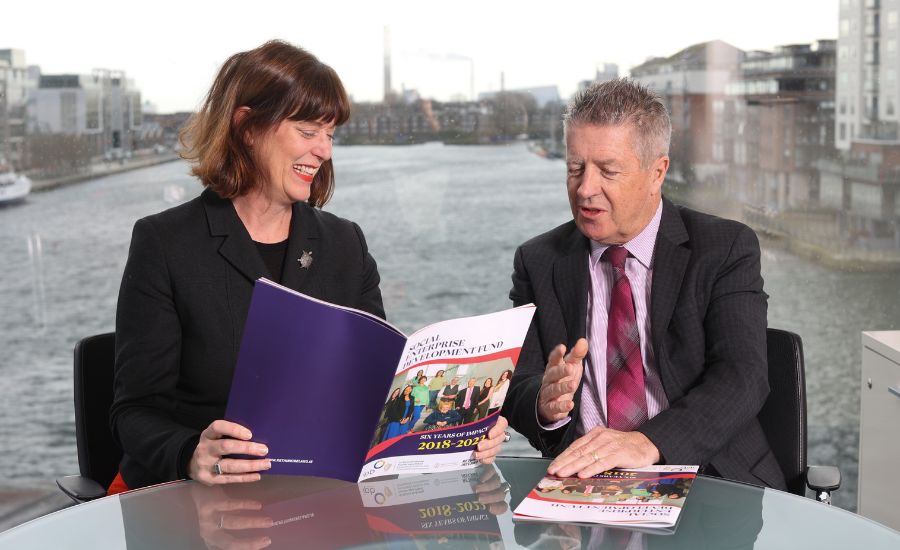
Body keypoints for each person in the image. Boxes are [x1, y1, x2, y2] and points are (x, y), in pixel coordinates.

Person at [109, 40, 509, 492]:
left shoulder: (345, 243)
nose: (325, 151)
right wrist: (189, 454)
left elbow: (375, 391)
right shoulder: (165, 243)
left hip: (317, 492)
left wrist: (458, 427)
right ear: (246, 127)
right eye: (307, 131)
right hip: (194, 498)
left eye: (330, 134)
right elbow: (134, 412)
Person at [502, 78, 786, 490]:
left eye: (608, 171)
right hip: (585, 482)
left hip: (710, 477)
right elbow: (520, 383)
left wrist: (648, 442)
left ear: (657, 172)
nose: (585, 189)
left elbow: (742, 376)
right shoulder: (539, 260)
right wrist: (546, 405)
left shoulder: (724, 248)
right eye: (575, 168)